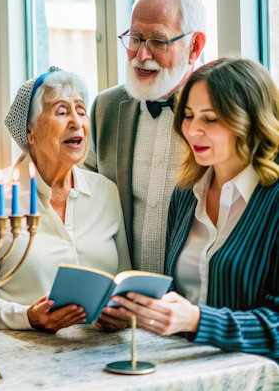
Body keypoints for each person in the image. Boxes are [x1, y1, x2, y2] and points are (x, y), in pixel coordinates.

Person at [104, 57, 279, 360]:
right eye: (187, 115)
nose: (193, 130)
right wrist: (139, 313)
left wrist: (198, 321)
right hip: (187, 370)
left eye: (210, 119)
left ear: (250, 121)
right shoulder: (186, 194)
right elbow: (182, 300)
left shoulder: (273, 200)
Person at [0, 67, 131, 333]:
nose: (77, 122)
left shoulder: (106, 193)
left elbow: (125, 282)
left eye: (81, 110)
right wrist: (27, 317)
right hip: (25, 358)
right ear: (29, 132)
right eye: (62, 111)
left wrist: (124, 313)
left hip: (104, 354)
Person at [84, 0, 207, 273]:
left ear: (195, 46)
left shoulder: (221, 116)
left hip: (193, 305)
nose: (142, 55)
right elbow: (82, 200)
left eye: (158, 41)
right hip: (117, 302)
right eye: (135, 37)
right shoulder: (106, 108)